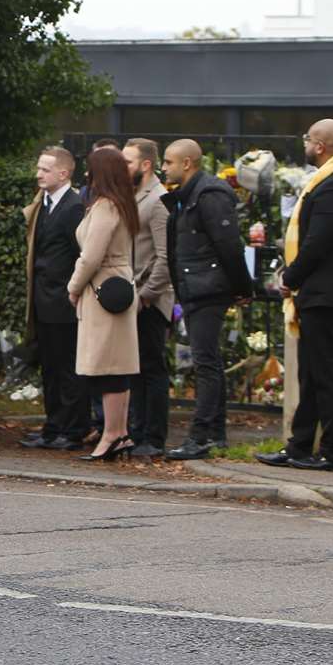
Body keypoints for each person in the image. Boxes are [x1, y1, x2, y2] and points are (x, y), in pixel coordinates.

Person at [258, 119, 333, 473]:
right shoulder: (328, 181)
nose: (304, 144)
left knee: (327, 373)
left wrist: (291, 275)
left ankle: (332, 451)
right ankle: (300, 445)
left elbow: (319, 241)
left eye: (307, 139)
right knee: (311, 373)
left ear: (319, 145)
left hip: (327, 292)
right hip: (317, 290)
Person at [161, 138, 253, 460]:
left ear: (187, 163)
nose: (164, 167)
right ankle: (214, 435)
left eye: (169, 162)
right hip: (196, 285)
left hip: (207, 288)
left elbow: (229, 245)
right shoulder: (187, 196)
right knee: (208, 361)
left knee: (205, 363)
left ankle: (201, 435)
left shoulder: (209, 195)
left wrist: (243, 288)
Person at [66, 147, 141, 460]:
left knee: (109, 367)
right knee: (117, 364)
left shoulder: (105, 207)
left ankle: (111, 434)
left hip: (102, 291)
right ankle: (119, 433)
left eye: (90, 169)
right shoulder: (122, 204)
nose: (86, 175)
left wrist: (73, 287)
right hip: (117, 287)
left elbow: (91, 256)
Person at [19, 146, 87, 450]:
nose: (38, 174)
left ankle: (73, 429)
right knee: (49, 366)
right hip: (42, 300)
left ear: (64, 173)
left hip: (64, 301)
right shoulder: (43, 205)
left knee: (68, 368)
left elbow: (79, 253)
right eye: (38, 168)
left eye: (45, 170)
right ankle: (53, 425)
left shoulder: (74, 206)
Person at [124, 139, 175, 457]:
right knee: (136, 368)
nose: (122, 167)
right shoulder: (134, 195)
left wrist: (146, 295)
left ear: (145, 164)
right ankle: (138, 430)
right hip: (133, 296)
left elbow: (165, 256)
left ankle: (154, 437)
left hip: (150, 299)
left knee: (152, 367)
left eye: (128, 162)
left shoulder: (158, 199)